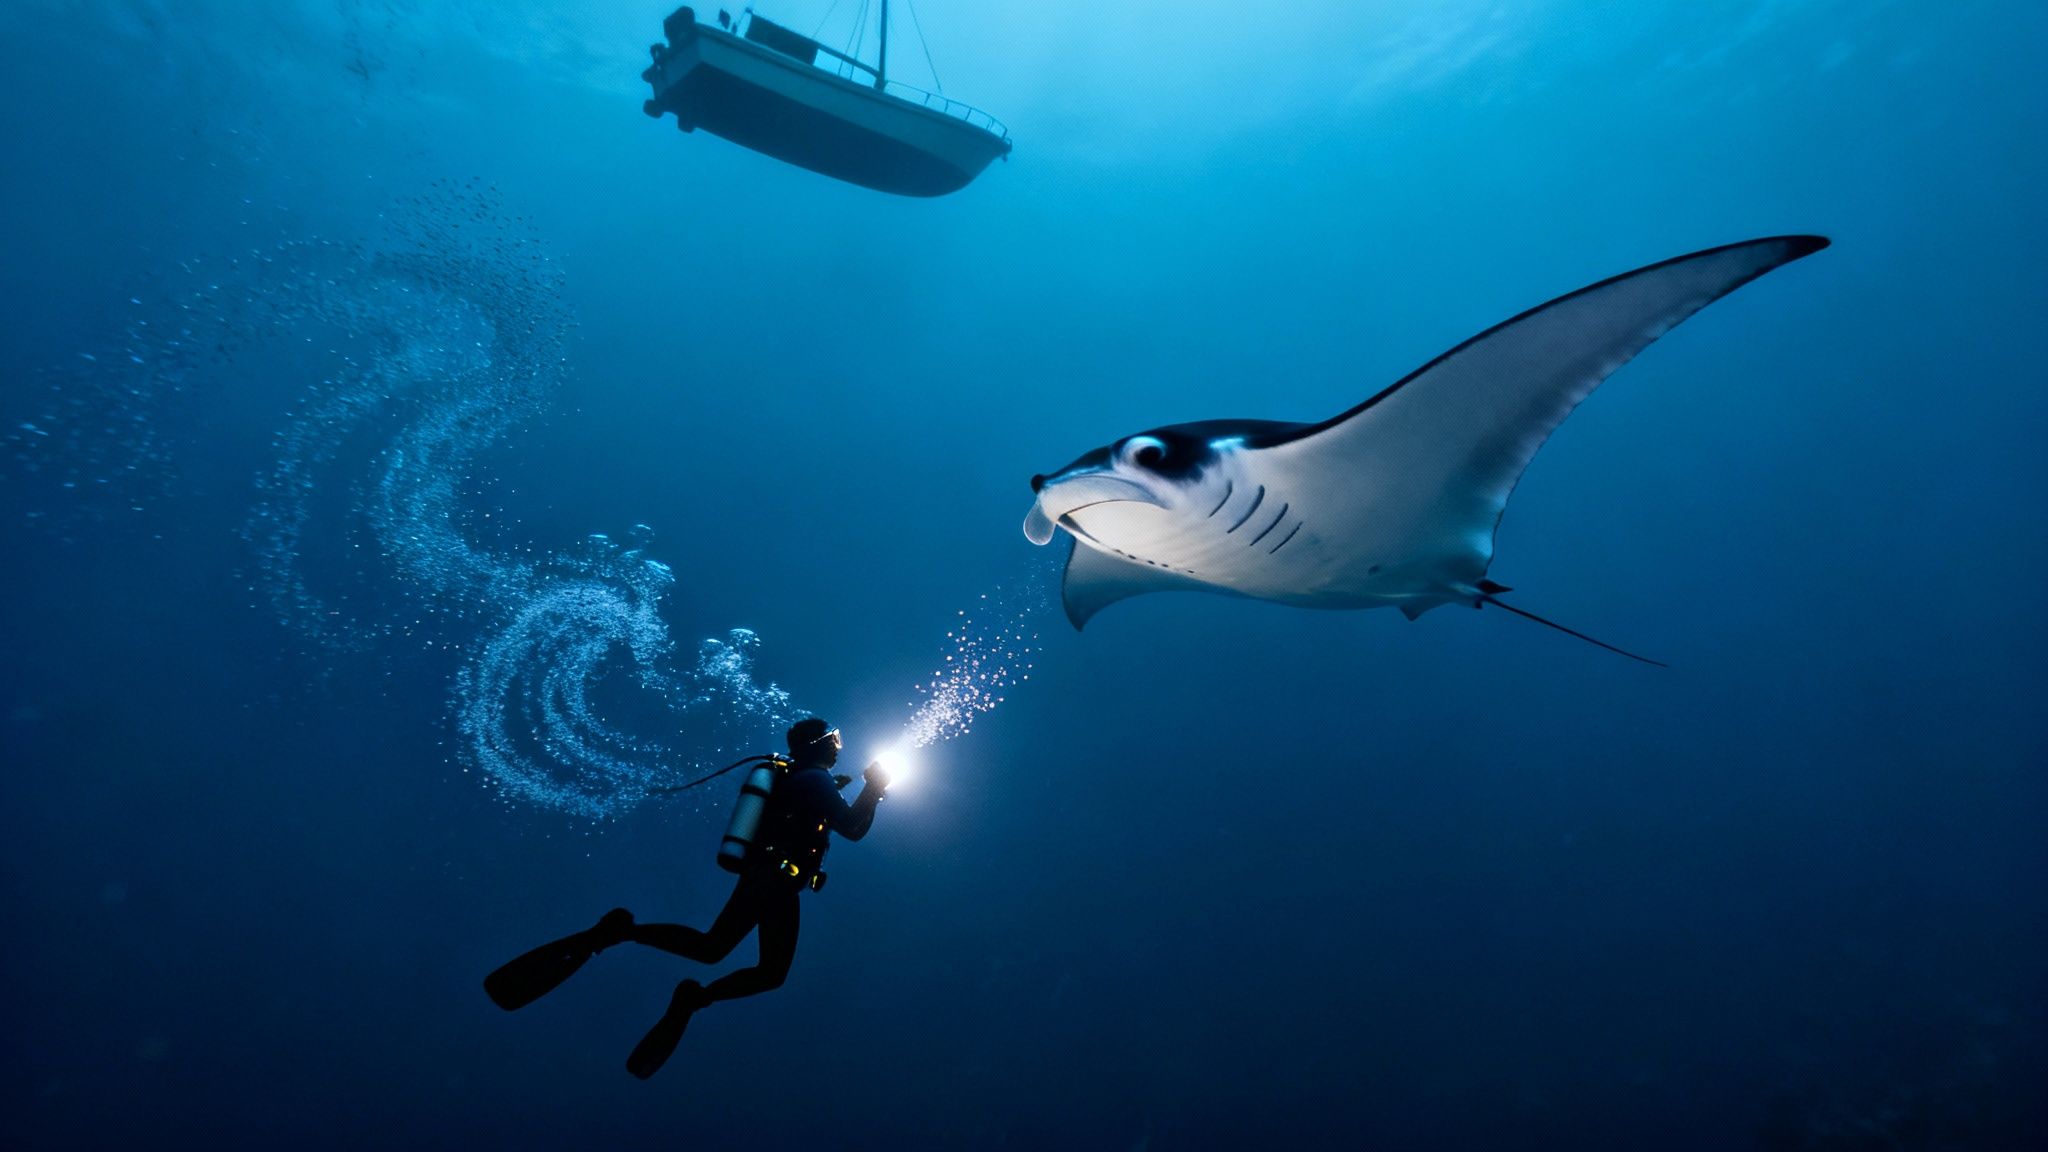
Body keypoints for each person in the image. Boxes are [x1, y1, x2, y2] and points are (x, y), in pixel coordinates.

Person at [483, 717, 890, 1079]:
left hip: (776, 883)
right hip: (772, 882)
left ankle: (668, 973)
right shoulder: (813, 779)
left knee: (732, 956)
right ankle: (634, 944)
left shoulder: (807, 780)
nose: (839, 743)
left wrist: (874, 791)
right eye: (834, 736)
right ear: (816, 744)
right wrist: (873, 786)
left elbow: (853, 826)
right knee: (736, 959)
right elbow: (853, 829)